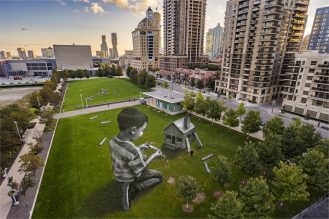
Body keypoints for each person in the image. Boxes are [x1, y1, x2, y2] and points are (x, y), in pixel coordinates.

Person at [109, 108, 163, 211]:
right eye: (142, 130)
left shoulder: (113, 141)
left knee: (142, 157)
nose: (142, 133)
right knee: (160, 177)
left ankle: (126, 185)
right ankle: (138, 187)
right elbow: (139, 170)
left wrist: (140, 148)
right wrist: (155, 156)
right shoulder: (134, 151)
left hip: (119, 173)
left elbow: (125, 153)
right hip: (131, 176)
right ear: (133, 130)